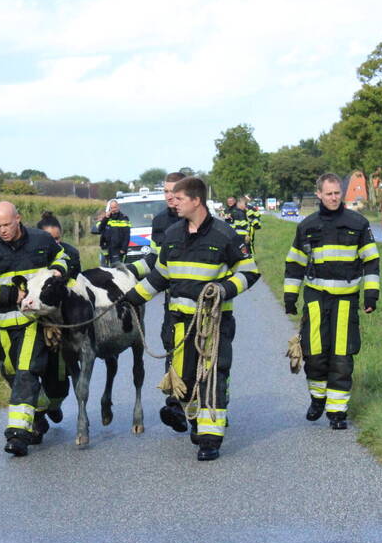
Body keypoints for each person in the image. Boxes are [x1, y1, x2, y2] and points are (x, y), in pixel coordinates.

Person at [122, 177, 260, 461]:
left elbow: (250, 272)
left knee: (211, 378)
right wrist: (131, 299)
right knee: (183, 382)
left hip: (214, 323)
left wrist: (224, 289)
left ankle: (210, 440)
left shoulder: (225, 235)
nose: (174, 202)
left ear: (196, 200)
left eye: (180, 198)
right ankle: (196, 421)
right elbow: (161, 276)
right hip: (180, 323)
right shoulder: (172, 234)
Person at [0, 201, 68, 456]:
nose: (3, 230)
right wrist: (11, 294)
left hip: (33, 322)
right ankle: (41, 410)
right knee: (11, 372)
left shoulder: (41, 240)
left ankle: (18, 435)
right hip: (4, 327)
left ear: (18, 219)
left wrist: (57, 271)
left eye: (7, 224)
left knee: (26, 371)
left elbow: (64, 257)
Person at [283, 173, 380, 430]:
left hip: (347, 299)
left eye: (337, 193)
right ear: (319, 195)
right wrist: (290, 296)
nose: (334, 197)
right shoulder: (307, 225)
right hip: (316, 298)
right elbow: (294, 264)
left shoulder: (358, 223)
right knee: (314, 354)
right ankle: (318, 398)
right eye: (329, 193)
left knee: (341, 355)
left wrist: (371, 294)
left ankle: (337, 412)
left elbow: (371, 260)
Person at [127, 171, 186, 432]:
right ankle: (175, 403)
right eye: (166, 192)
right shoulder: (160, 221)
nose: (170, 197)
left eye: (175, 191)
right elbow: (153, 260)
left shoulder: (205, 221)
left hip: (204, 301)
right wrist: (125, 272)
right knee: (171, 344)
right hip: (172, 297)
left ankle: (216, 401)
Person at [35, 211, 79, 424]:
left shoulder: (71, 253)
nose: (55, 243)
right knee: (33, 369)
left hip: (62, 323)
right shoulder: (32, 255)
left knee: (59, 375)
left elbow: (78, 286)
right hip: (36, 321)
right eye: (50, 239)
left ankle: (54, 404)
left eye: (58, 238)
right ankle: (38, 415)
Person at [90, 199, 131, 266]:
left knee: (116, 268)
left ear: (118, 207)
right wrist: (106, 218)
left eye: (115, 207)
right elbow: (100, 229)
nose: (113, 209)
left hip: (118, 249)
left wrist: (123, 249)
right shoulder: (106, 218)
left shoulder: (124, 218)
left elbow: (127, 235)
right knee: (105, 270)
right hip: (106, 249)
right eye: (112, 208)